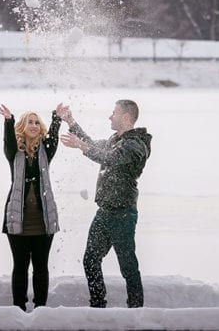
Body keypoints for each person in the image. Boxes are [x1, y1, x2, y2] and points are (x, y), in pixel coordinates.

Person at [59, 99, 152, 308]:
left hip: (123, 214)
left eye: (114, 113)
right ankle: (98, 304)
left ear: (126, 117)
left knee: (127, 265)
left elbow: (109, 158)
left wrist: (80, 146)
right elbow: (93, 145)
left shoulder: (136, 145)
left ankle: (136, 309)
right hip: (104, 212)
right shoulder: (115, 139)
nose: (110, 117)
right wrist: (71, 122)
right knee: (90, 259)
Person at [0, 103, 66, 311]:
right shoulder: (14, 152)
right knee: (20, 267)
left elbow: (53, 139)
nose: (34, 125)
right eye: (30, 122)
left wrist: (56, 118)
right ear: (23, 126)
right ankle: (18, 308)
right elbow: (9, 141)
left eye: (37, 122)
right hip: (18, 219)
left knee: (41, 267)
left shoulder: (45, 150)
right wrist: (8, 121)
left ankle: (40, 309)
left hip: (43, 220)